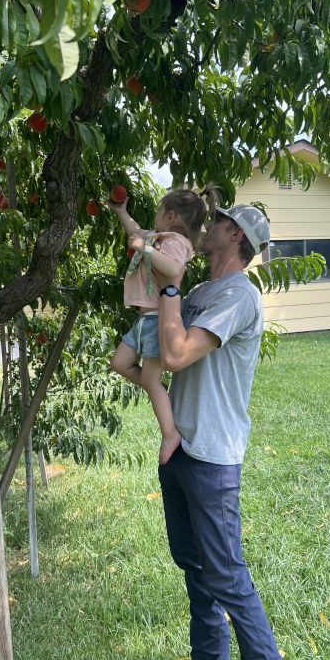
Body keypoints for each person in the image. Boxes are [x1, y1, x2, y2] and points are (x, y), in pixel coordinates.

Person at [153, 205, 285, 660]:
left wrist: (169, 286)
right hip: (181, 446)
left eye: (219, 220)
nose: (207, 225)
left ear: (234, 234)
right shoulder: (202, 292)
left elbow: (175, 354)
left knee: (227, 577)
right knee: (195, 567)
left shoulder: (240, 297)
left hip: (213, 456)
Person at [109, 188, 213, 464]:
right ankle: (156, 387)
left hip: (158, 319)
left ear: (170, 216)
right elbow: (135, 230)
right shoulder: (158, 238)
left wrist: (145, 249)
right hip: (144, 320)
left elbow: (173, 269)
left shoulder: (176, 242)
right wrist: (121, 213)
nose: (153, 218)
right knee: (119, 362)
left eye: (157, 212)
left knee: (150, 380)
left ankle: (170, 433)